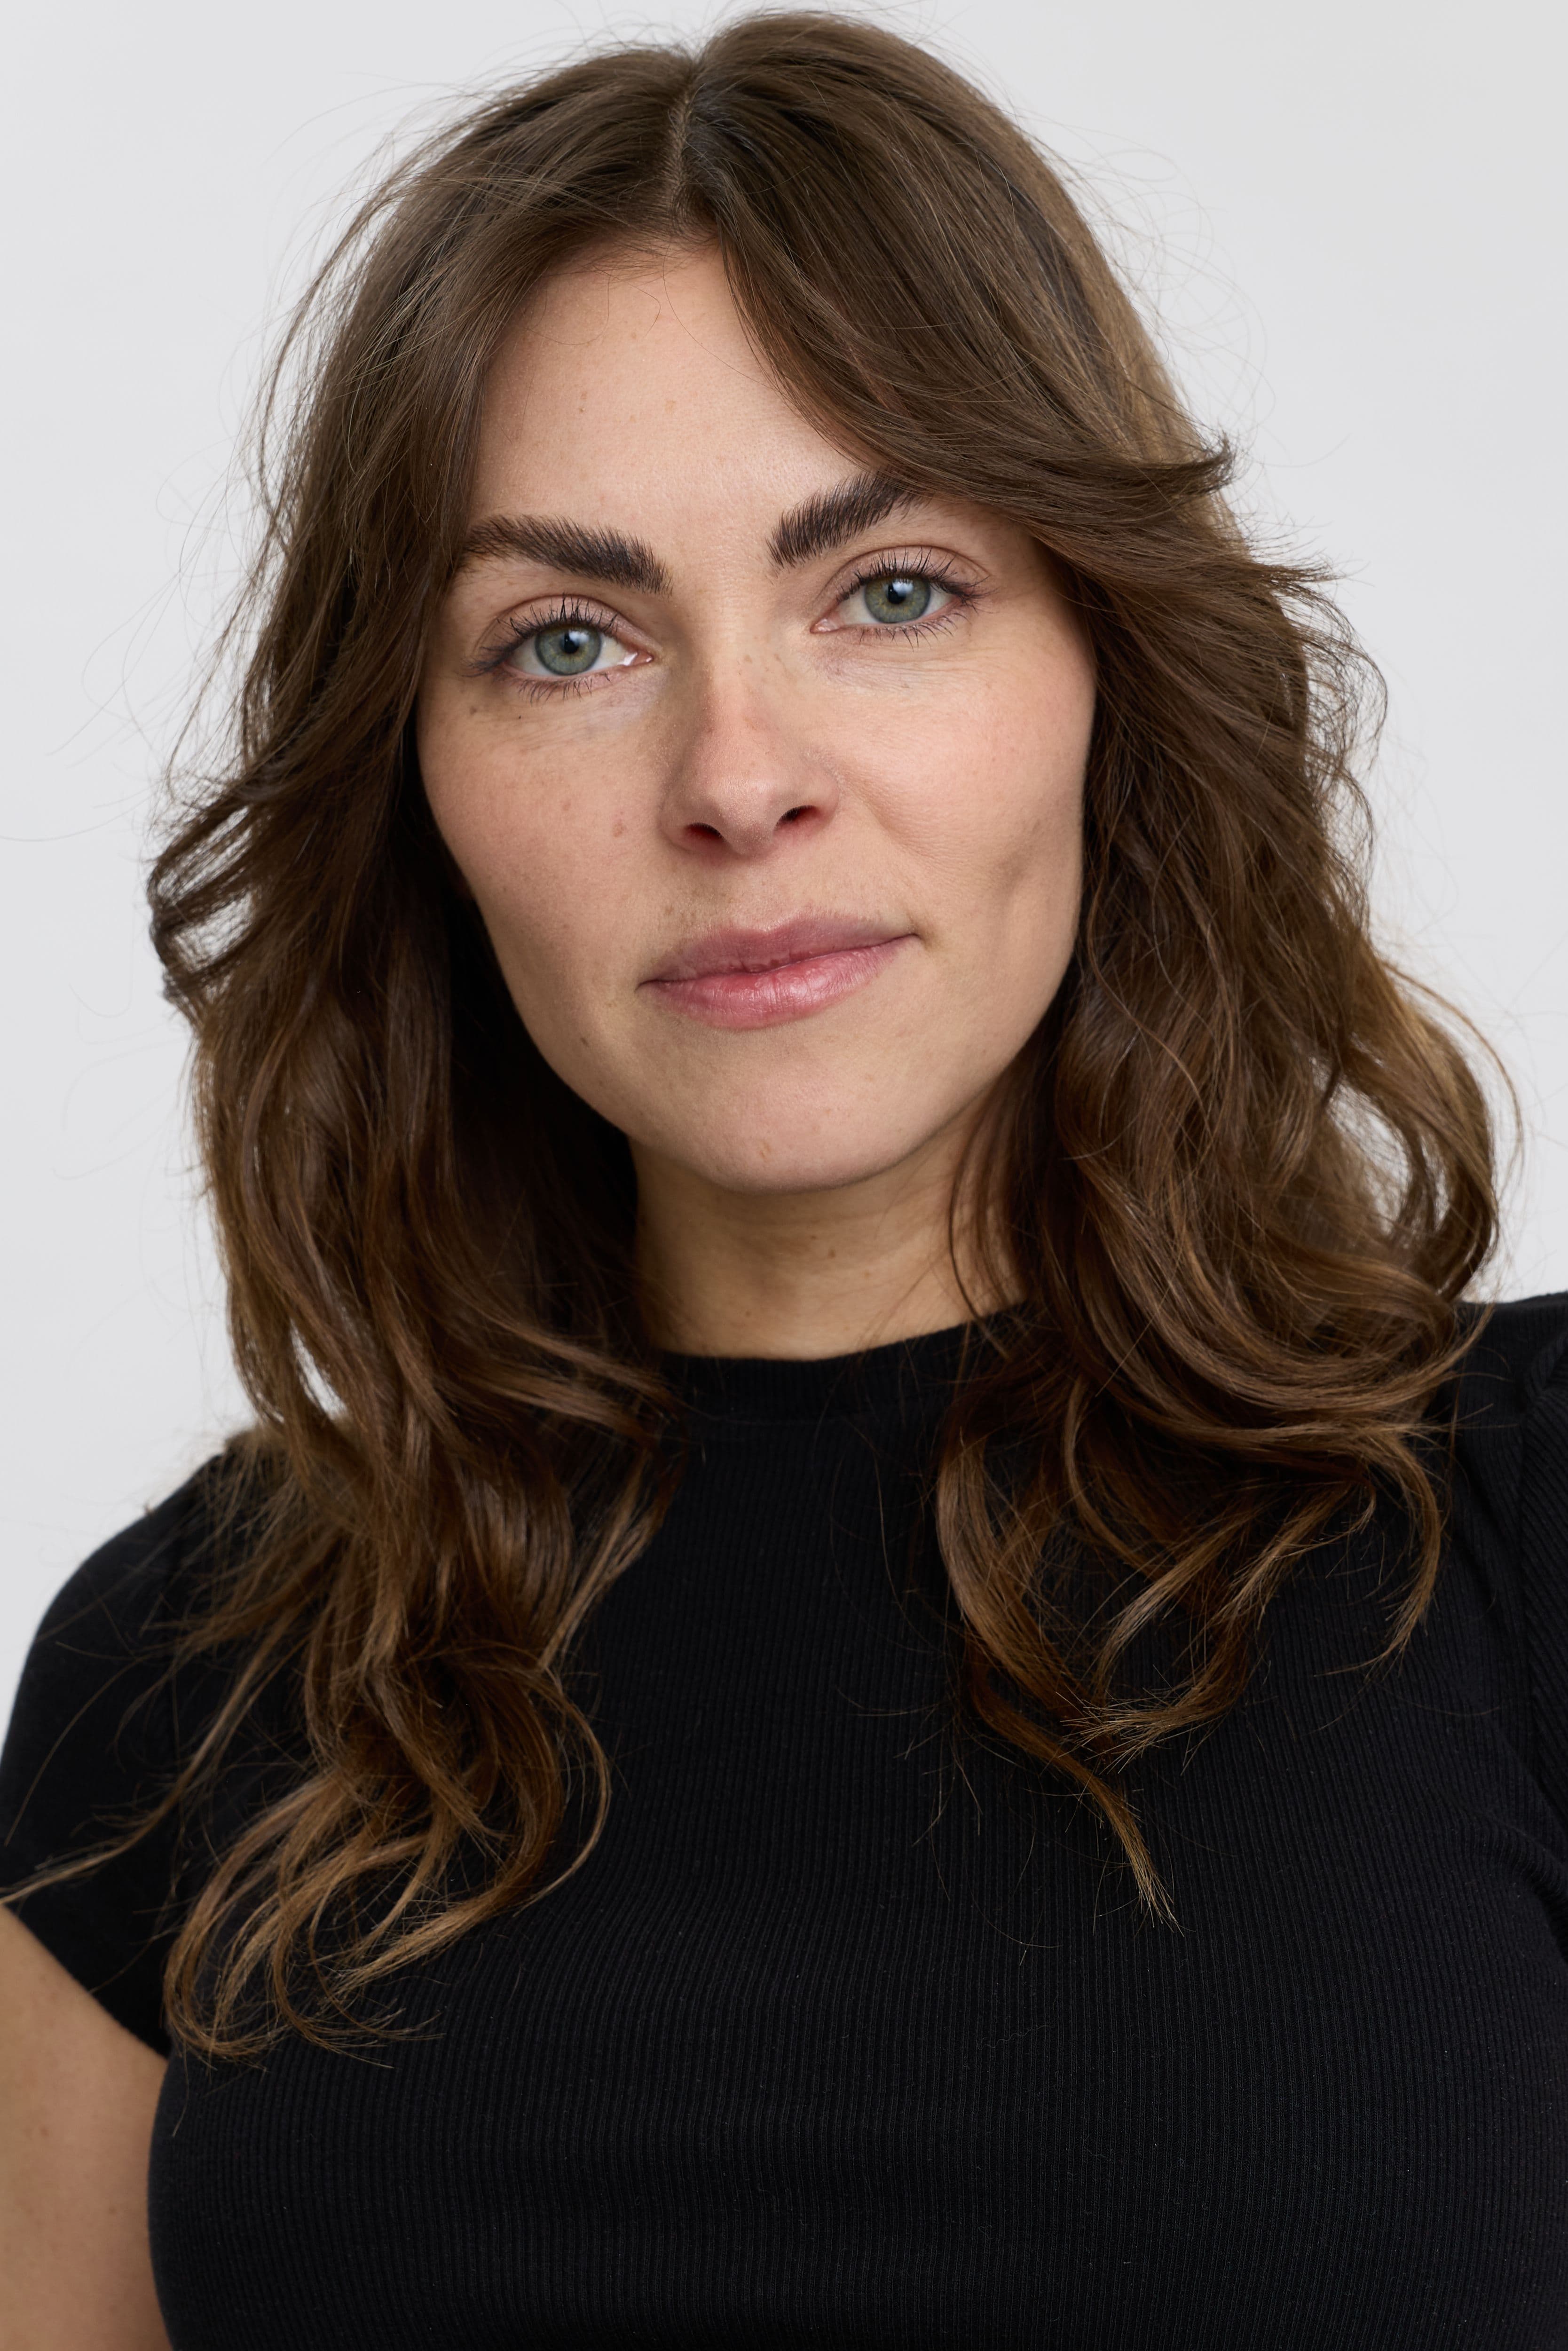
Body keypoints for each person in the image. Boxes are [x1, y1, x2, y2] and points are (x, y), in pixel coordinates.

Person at [2, 12, 1565, 2346]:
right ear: (412, 781)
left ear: (1113, 667)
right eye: (567, 640)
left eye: (893, 590)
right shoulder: (183, 1680)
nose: (739, 776)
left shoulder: (1522, 1540)